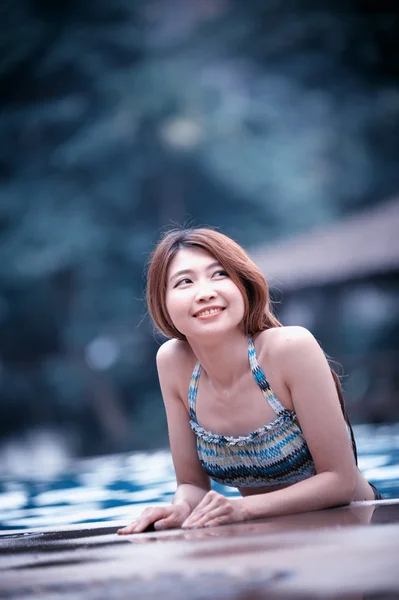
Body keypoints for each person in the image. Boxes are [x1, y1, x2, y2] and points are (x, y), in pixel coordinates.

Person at [118, 227, 382, 535]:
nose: (205, 292)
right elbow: (191, 485)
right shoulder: (174, 363)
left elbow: (340, 482)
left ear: (243, 284)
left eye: (219, 274)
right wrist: (179, 508)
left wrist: (242, 509)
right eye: (185, 281)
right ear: (162, 302)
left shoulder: (289, 348)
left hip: (358, 531)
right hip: (269, 540)